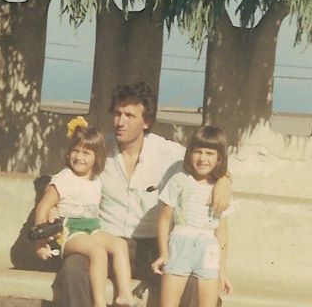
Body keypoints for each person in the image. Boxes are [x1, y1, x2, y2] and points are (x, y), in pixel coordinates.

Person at [51, 82, 232, 307]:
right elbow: (68, 178)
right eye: (117, 114)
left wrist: (224, 180)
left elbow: (207, 161)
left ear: (146, 121)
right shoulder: (98, 149)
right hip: (107, 242)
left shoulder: (168, 153)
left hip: (152, 247)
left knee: (194, 284)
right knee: (73, 270)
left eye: (129, 115)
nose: (120, 122)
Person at [34, 117, 138, 307]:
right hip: (68, 230)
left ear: (97, 158)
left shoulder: (96, 178)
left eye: (86, 153)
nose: (79, 157)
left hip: (91, 228)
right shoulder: (64, 178)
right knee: (97, 252)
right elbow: (43, 206)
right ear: (68, 153)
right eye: (76, 150)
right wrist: (40, 243)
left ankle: (124, 295)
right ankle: (99, 303)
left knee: (120, 244)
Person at [151, 125, 233, 307]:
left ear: (219, 158)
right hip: (180, 247)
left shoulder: (221, 190)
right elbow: (164, 219)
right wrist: (164, 253)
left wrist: (222, 270)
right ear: (190, 153)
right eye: (198, 152)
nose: (202, 158)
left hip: (209, 251)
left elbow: (222, 233)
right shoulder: (179, 180)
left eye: (209, 153)